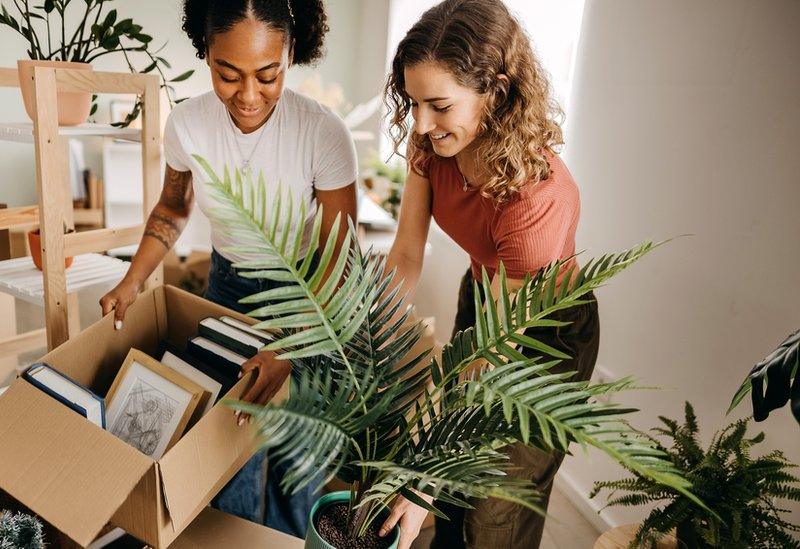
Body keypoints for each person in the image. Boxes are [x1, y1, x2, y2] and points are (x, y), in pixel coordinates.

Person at [99, 0, 358, 538]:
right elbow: (172, 207)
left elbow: (340, 257)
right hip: (228, 290)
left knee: (295, 454)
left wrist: (291, 345)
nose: (247, 96)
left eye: (268, 75)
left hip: (312, 299)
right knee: (227, 444)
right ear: (205, 53)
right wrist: (132, 279)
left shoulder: (322, 133)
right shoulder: (189, 124)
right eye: (227, 74)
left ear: (292, 51)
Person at [376, 1, 600, 548]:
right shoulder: (431, 147)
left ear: (495, 94)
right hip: (483, 296)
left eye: (439, 105)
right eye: (413, 102)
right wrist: (369, 328)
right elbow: (406, 252)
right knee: (448, 494)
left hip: (547, 335)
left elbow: (488, 357)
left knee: (493, 503)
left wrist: (420, 473)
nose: (422, 125)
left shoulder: (539, 199)